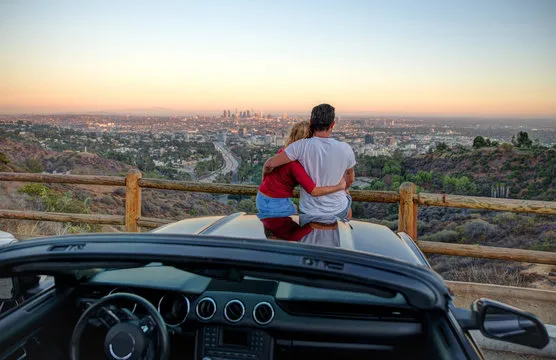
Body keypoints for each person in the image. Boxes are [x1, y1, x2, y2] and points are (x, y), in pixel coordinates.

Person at [263, 104, 355, 224]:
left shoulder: (300, 146)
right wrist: (342, 188)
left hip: (309, 211)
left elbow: (270, 164)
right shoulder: (345, 148)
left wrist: (266, 182)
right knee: (347, 204)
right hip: (338, 209)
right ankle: (345, 227)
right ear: (332, 124)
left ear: (311, 122)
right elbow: (350, 179)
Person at [256, 121, 346, 219]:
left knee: (272, 228)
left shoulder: (284, 152)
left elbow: (267, 166)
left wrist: (264, 182)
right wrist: (340, 187)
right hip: (276, 203)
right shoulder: (295, 165)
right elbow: (314, 191)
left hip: (261, 197)